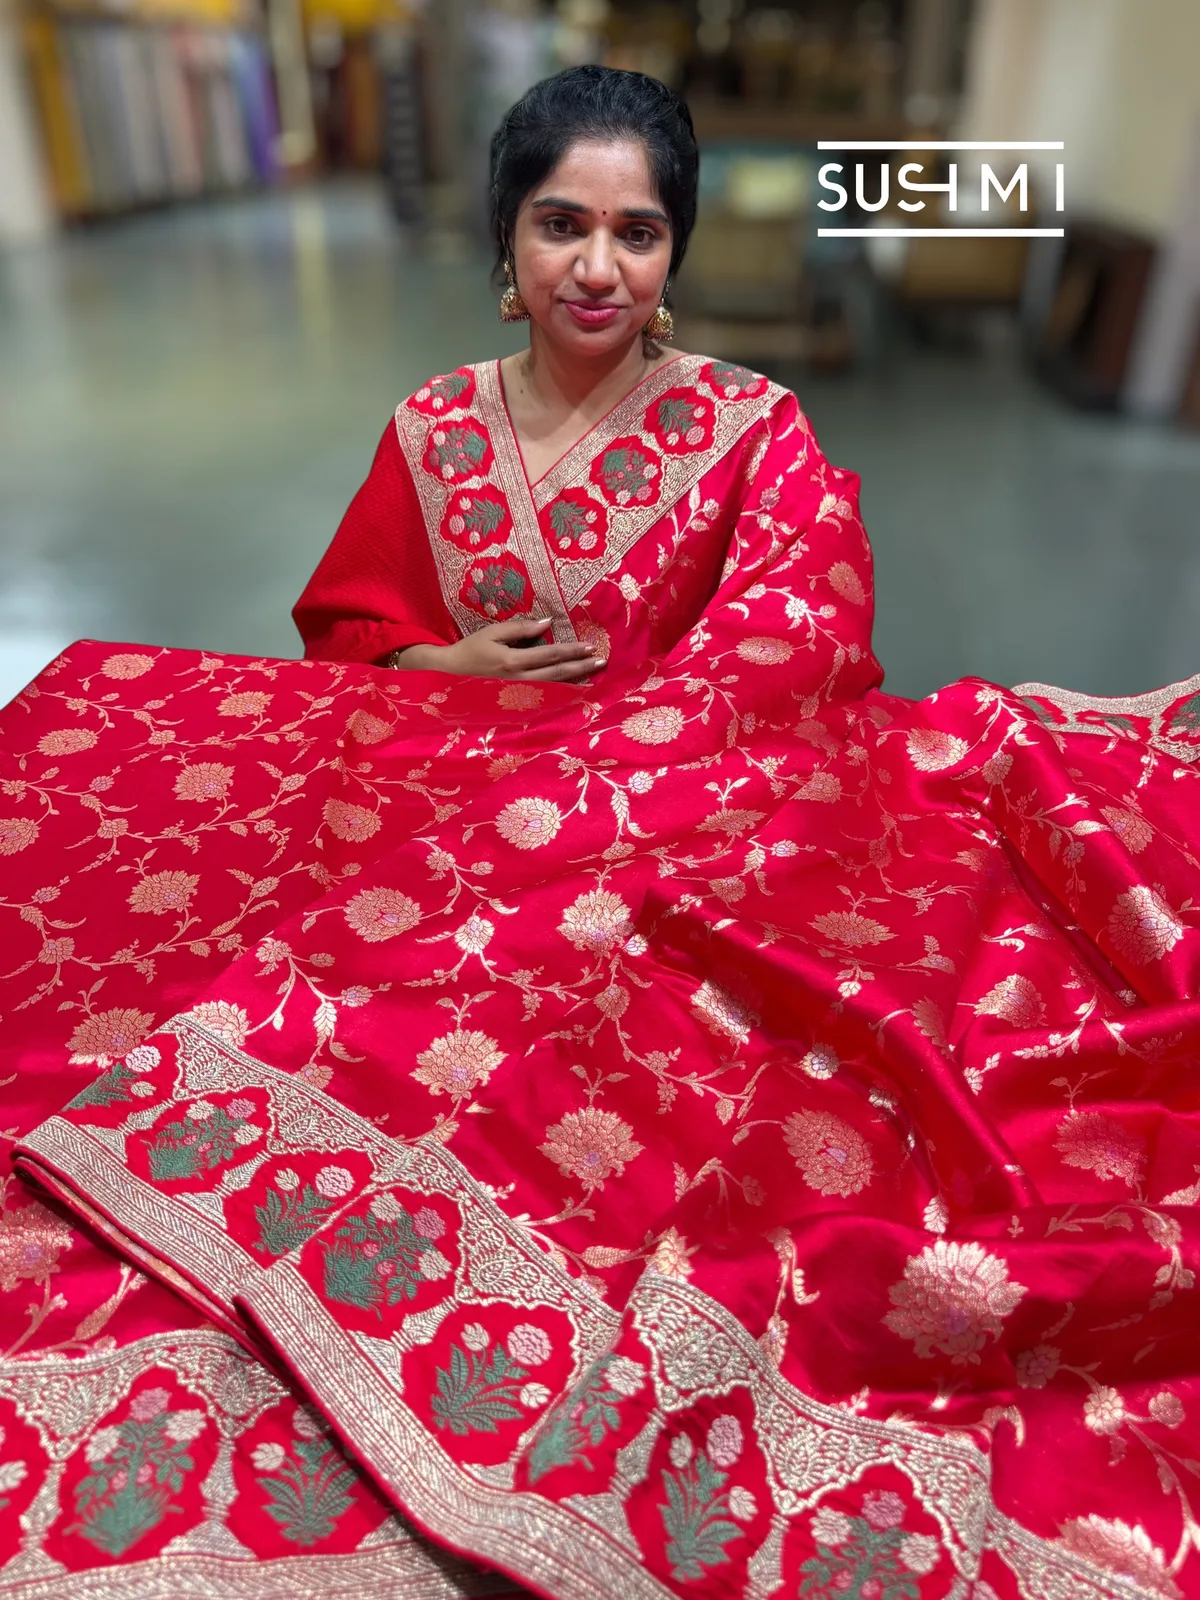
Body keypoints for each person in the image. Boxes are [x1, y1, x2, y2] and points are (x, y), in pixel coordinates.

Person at [2, 65, 1199, 1600]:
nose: (598, 266)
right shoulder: (433, 428)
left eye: (638, 233)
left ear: (675, 258)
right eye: (562, 223)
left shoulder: (751, 427)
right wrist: (438, 669)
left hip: (684, 832)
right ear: (508, 242)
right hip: (442, 825)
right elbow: (351, 624)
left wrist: (620, 771)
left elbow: (798, 643)